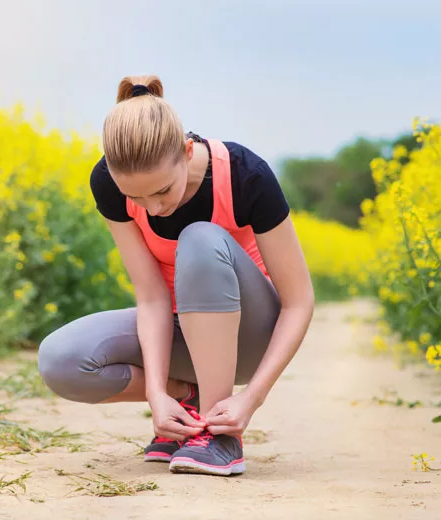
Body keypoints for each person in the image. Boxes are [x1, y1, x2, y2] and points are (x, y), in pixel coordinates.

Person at [37, 75, 315, 476]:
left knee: (198, 238)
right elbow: (151, 297)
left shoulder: (245, 175)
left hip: (249, 335)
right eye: (136, 197)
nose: (151, 209)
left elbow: (298, 301)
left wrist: (251, 398)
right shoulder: (108, 184)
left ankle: (220, 435)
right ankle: (187, 404)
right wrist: (156, 394)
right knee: (61, 360)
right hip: (181, 329)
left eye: (162, 191)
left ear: (187, 152)